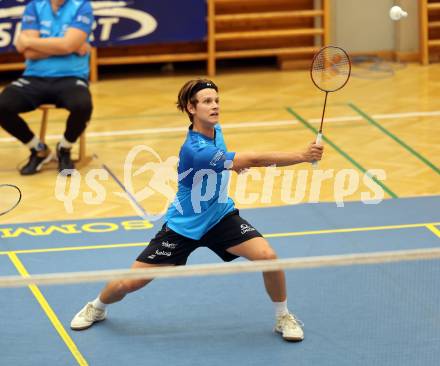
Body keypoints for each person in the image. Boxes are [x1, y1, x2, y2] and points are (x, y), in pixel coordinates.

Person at [70, 79, 324, 342]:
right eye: (206, 101)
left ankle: (282, 316)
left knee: (269, 257)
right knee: (130, 283)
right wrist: (303, 156)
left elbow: (225, 159)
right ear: (191, 108)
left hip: (219, 216)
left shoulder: (215, 131)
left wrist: (230, 166)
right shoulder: (195, 149)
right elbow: (255, 159)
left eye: (216, 100)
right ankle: (97, 306)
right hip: (184, 226)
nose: (214, 106)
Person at [0, 0, 94, 175]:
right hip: (34, 77)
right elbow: (29, 53)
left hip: (71, 77)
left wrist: (32, 42)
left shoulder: (82, 6)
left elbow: (62, 45)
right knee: (2, 105)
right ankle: (38, 149)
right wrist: (67, 46)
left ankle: (64, 149)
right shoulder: (34, 6)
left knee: (82, 105)